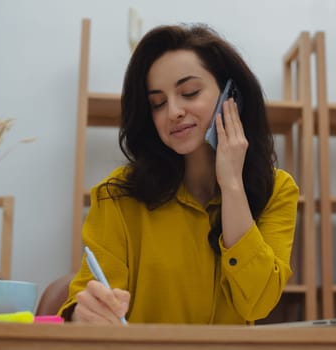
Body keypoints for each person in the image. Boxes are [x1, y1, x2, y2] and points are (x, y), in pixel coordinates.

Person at [58, 22, 299, 325]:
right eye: (158, 103)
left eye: (189, 92)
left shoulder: (277, 189)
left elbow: (258, 303)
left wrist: (232, 185)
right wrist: (84, 315)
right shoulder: (118, 195)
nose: (173, 111)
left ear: (231, 95)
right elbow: (86, 300)